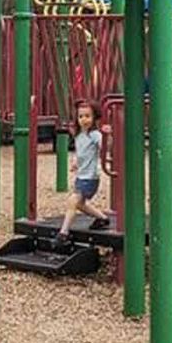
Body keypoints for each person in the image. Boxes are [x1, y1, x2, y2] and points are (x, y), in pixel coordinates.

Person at [54, 99, 113, 247]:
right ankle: (102, 219)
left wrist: (108, 135)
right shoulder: (80, 135)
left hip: (91, 177)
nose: (84, 120)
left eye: (87, 116)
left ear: (94, 118)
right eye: (81, 116)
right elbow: (80, 152)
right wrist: (75, 162)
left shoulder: (95, 134)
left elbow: (106, 146)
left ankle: (63, 233)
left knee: (72, 201)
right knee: (80, 205)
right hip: (81, 176)